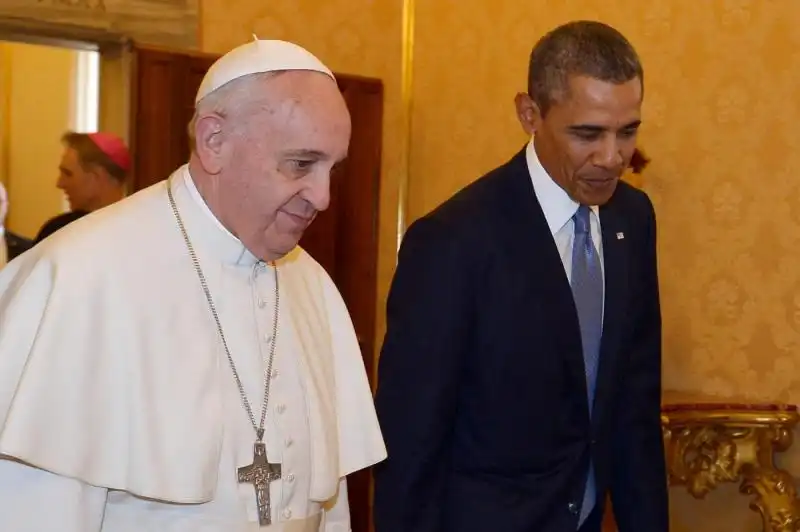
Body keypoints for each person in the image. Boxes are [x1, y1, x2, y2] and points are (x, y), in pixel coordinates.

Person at [0, 38, 386, 531]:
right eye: (300, 164)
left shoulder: (312, 285)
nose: (324, 197)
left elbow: (329, 508)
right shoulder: (78, 277)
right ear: (213, 141)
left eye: (334, 168)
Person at [373, 20, 667, 532]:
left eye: (628, 131)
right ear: (530, 114)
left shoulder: (632, 220)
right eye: (587, 134)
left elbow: (633, 408)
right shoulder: (453, 241)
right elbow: (410, 443)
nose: (612, 157)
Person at [32, 131, 130, 243]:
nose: (59, 184)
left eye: (68, 174)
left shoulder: (138, 230)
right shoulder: (56, 230)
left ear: (95, 177)